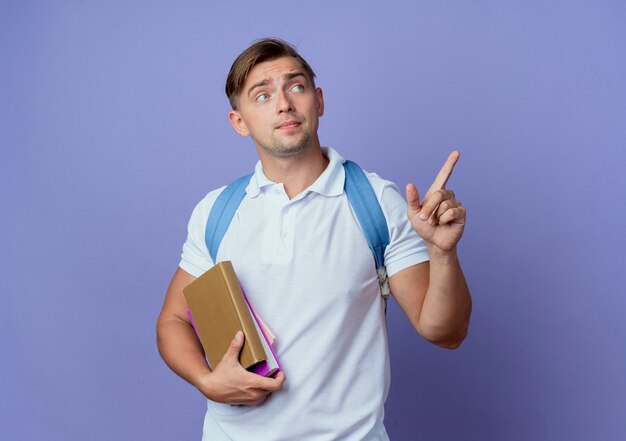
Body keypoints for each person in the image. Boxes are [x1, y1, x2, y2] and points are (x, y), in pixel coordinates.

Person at [157, 38, 472, 441]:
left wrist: (443, 253)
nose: (284, 103)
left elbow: (445, 332)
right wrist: (206, 380)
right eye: (263, 94)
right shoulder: (215, 210)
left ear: (319, 101)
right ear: (239, 122)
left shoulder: (374, 201)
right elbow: (173, 319)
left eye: (297, 86)